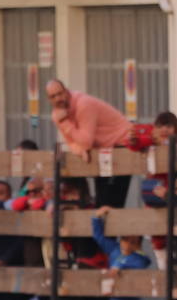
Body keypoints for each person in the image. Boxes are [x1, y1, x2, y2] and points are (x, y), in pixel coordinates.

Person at [46, 79, 132, 208]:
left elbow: (86, 142)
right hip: (103, 149)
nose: (58, 98)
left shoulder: (83, 104)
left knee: (111, 204)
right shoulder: (57, 114)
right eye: (53, 96)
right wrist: (80, 151)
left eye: (60, 93)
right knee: (101, 202)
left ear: (66, 91)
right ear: (49, 100)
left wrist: (65, 123)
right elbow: (71, 142)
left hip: (122, 143)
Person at [90, 205, 151, 300]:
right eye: (125, 239)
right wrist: (96, 217)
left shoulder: (139, 257)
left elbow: (143, 262)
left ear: (138, 244)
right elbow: (98, 236)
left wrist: (119, 265)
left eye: (133, 242)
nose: (128, 244)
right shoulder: (114, 249)